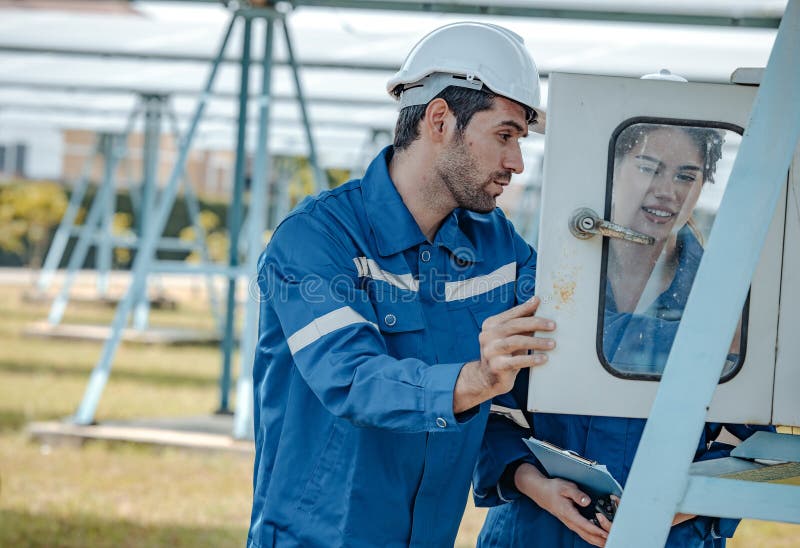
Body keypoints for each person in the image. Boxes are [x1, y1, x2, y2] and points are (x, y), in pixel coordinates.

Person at [247, 22, 556, 548]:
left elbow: (557, 349)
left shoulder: (499, 248)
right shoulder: (316, 239)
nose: (517, 163)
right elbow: (352, 378)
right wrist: (477, 378)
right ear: (440, 119)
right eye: (504, 135)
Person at [474, 122, 771, 547]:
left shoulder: (729, 300)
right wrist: (536, 485)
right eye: (649, 167)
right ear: (609, 168)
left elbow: (752, 444)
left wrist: (664, 511)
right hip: (537, 530)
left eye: (686, 175)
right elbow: (493, 412)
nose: (668, 189)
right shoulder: (544, 283)